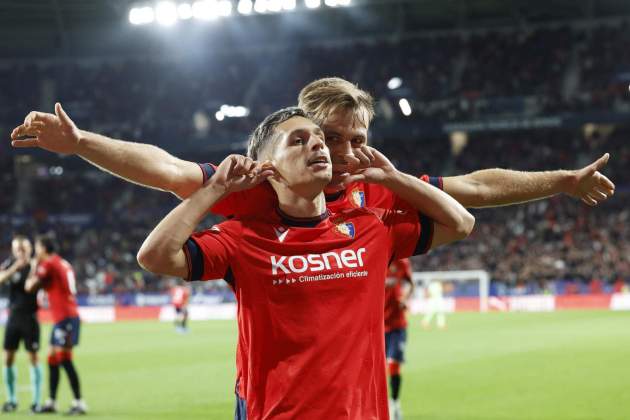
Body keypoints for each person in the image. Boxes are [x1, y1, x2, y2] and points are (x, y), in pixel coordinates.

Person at [137, 107, 475, 419]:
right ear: (267, 167)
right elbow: (155, 256)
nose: (318, 145)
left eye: (319, 137)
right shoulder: (242, 237)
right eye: (299, 141)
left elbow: (460, 223)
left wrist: (392, 177)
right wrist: (215, 189)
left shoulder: (372, 227)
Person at [25, 234, 87, 415]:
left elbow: (29, 286)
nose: (36, 251)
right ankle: (51, 401)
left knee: (64, 359)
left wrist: (34, 266)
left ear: (43, 248)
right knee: (52, 357)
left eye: (37, 247)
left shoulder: (48, 264)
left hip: (66, 317)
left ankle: (79, 403)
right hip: (63, 317)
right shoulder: (60, 262)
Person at [0, 235, 42, 413]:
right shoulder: (9, 264)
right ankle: (11, 400)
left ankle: (36, 401)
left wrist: (32, 267)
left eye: (24, 249)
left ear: (30, 249)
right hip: (13, 317)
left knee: (33, 357)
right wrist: (15, 267)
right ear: (13, 250)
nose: (21, 252)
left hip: (30, 317)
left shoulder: (36, 266)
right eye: (18, 249)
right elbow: (1, 279)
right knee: (8, 358)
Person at [384, 258, 414, 420]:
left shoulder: (402, 262)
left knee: (394, 365)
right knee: (375, 369)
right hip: (376, 324)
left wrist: (405, 299)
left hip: (397, 325)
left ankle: (395, 403)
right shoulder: (372, 256)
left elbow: (410, 284)